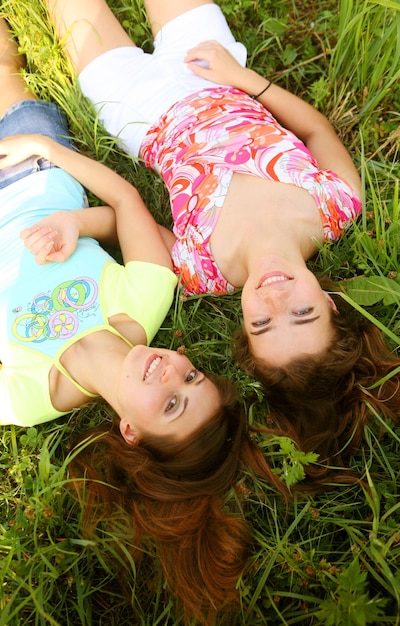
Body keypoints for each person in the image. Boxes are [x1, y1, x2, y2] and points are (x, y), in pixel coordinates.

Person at [42, 0, 400, 476]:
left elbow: (127, 223)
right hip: (215, 71)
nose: (274, 298)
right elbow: (314, 128)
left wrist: (75, 223)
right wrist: (243, 79)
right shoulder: (337, 205)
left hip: (137, 111)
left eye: (262, 325)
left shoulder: (202, 271)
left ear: (244, 329)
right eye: (302, 313)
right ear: (331, 304)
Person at [0, 18, 294, 623]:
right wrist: (50, 154)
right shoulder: (145, 302)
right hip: (30, 171)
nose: (172, 373)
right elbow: (128, 204)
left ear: (130, 432)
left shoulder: (26, 398)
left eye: (170, 404)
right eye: (192, 380)